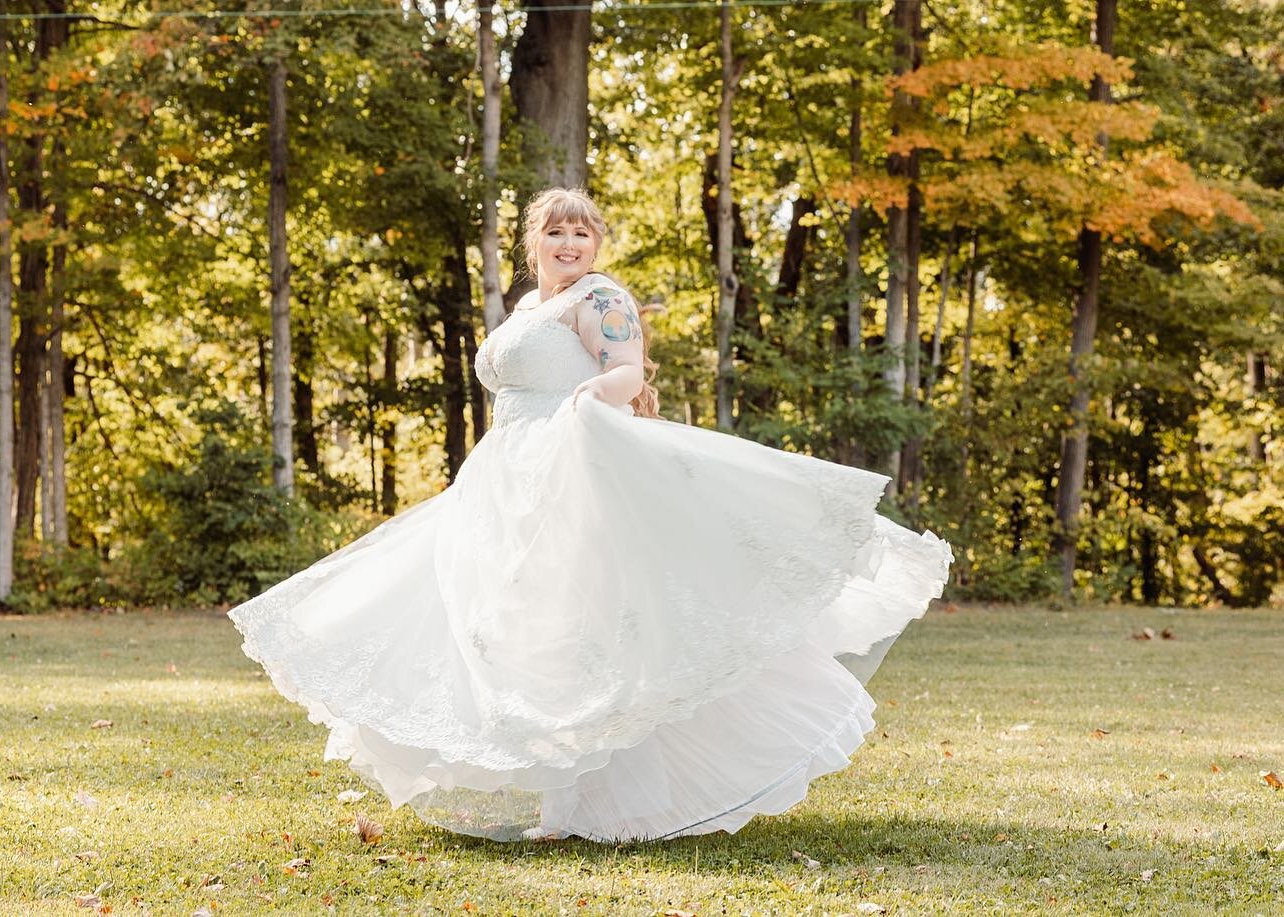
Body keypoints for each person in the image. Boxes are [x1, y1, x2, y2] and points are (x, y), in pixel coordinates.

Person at [227, 187, 953, 844]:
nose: (570, 245)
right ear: (534, 242)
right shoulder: (527, 308)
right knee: (515, 632)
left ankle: (606, 805)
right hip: (505, 478)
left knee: (591, 625)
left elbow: (628, 369)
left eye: (582, 234)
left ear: (595, 244)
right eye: (556, 233)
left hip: (569, 465)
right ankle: (561, 805)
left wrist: (592, 396)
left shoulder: (600, 298)